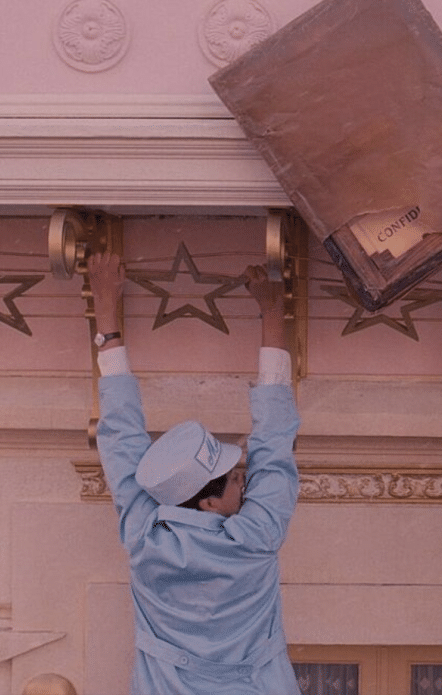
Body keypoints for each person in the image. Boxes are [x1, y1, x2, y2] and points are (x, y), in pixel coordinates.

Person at [87, 251, 301, 695]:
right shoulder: (255, 536)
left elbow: (120, 435)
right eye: (235, 476)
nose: (245, 478)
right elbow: (275, 441)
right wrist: (273, 312)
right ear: (207, 502)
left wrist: (106, 306)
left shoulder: (144, 538)